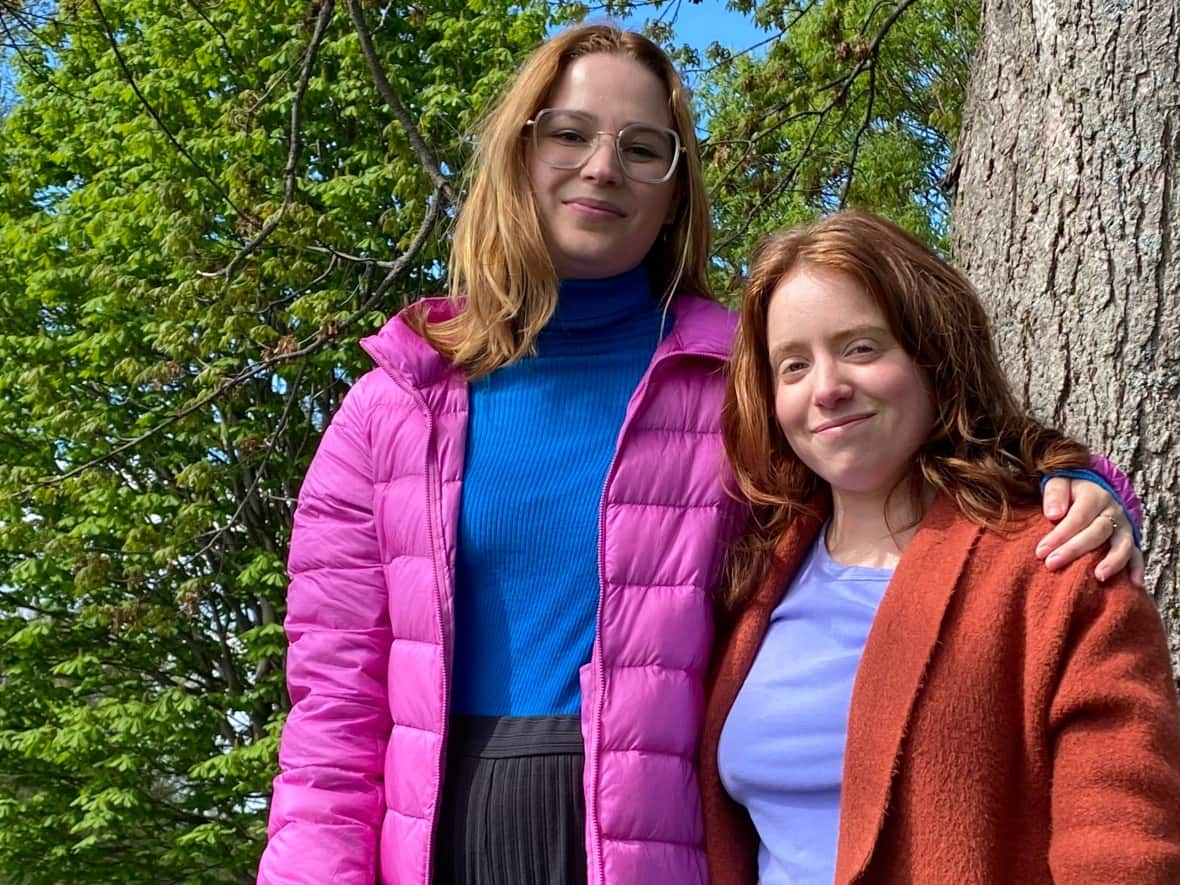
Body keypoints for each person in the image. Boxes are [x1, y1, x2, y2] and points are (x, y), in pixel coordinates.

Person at [257, 25, 1141, 885]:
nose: (603, 167)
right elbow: (333, 710)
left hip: (660, 839)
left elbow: (923, 442)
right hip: (439, 834)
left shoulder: (740, 378)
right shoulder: (395, 402)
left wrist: (1079, 480)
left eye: (645, 148)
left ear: (676, 190)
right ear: (519, 154)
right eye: (569, 134)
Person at [700, 210, 1180, 885]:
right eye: (794, 365)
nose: (827, 387)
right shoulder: (751, 577)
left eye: (861, 347)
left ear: (933, 357)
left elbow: (1123, 848)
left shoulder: (1059, 569)